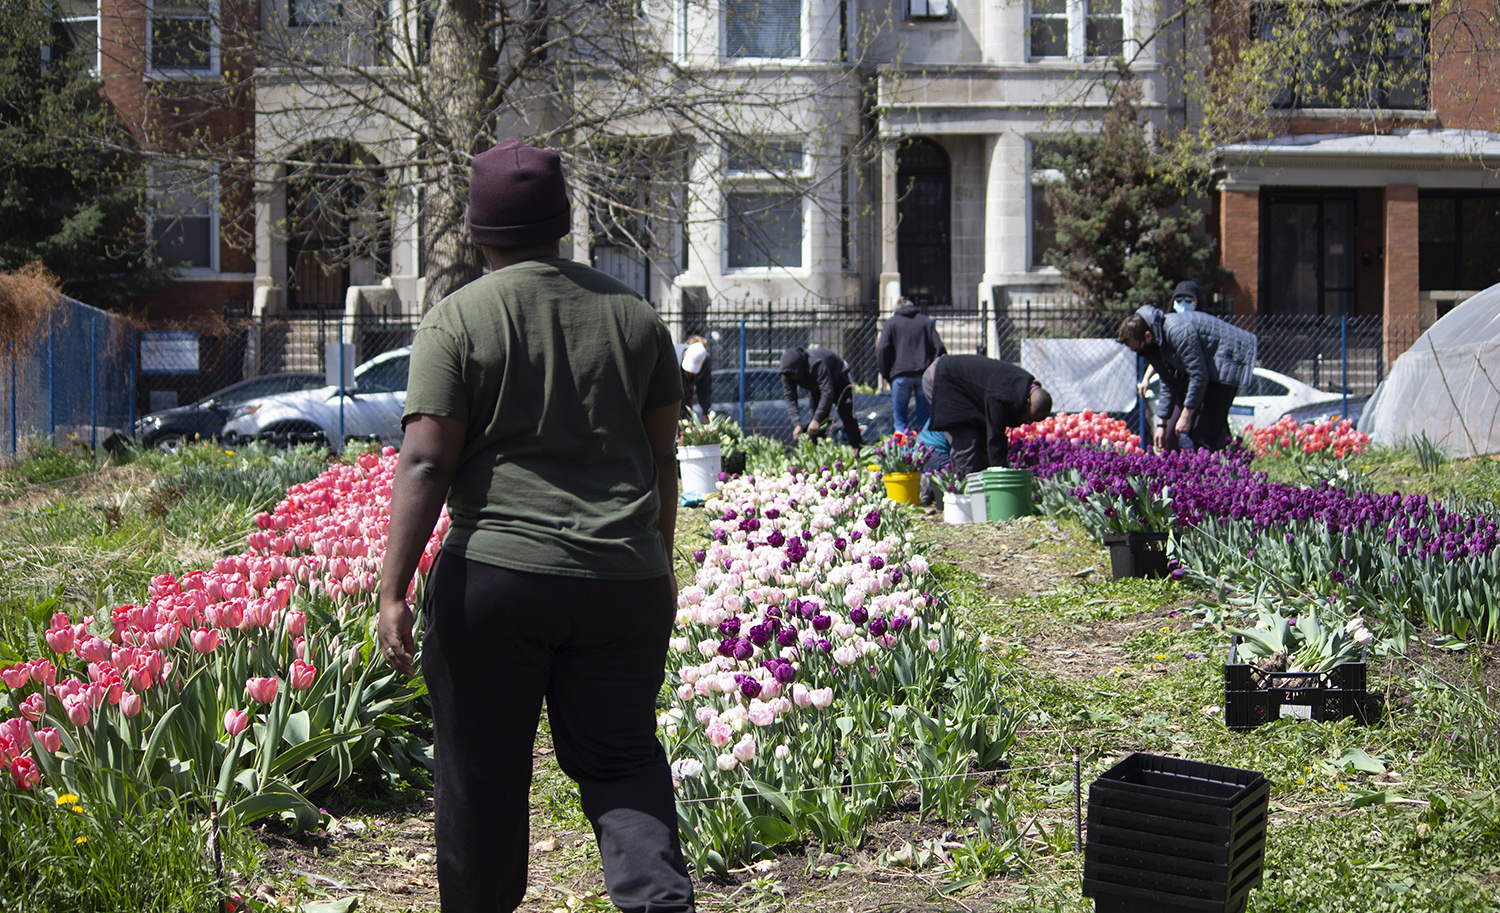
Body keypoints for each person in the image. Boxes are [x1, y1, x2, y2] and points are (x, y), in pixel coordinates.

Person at [376, 138, 695, 913]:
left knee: (482, 772)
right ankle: (659, 903)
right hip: (624, 579)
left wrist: (392, 589)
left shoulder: (457, 320)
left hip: (495, 579)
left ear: (478, 227)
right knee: (621, 760)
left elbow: (426, 461)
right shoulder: (637, 318)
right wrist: (657, 560)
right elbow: (663, 461)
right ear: (563, 221)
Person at [1116, 300, 1257, 453]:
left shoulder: (1176, 331)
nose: (1138, 353)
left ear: (1148, 336)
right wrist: (1161, 424)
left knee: (1204, 431)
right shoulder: (1155, 345)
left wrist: (1186, 414)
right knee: (1206, 428)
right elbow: (1167, 381)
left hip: (1229, 357)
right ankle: (1230, 462)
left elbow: (1198, 375)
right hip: (1208, 366)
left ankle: (1216, 471)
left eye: (1138, 348)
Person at [923, 354, 1052, 477]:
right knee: (968, 442)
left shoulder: (1024, 386)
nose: (1028, 423)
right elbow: (996, 438)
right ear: (1027, 402)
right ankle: (965, 492)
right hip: (942, 379)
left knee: (981, 441)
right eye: (1029, 417)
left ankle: (979, 490)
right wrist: (1000, 476)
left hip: (963, 387)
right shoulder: (1002, 395)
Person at [875, 297, 945, 432]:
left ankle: (901, 451)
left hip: (899, 375)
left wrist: (886, 374)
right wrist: (932, 370)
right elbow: (939, 347)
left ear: (896, 309)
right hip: (923, 375)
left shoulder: (891, 323)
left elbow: (882, 349)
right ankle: (924, 449)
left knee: (900, 422)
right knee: (924, 421)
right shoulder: (925, 321)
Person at [778, 345, 863, 448]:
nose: (793, 378)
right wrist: (797, 424)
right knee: (815, 429)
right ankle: (820, 458)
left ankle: (859, 452)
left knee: (849, 419)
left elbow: (827, 391)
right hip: (817, 389)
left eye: (794, 375)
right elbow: (790, 397)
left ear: (800, 368)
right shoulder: (787, 372)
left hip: (840, 380)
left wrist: (817, 419)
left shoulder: (816, 363)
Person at [1134, 281, 1204, 400]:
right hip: (1176, 384)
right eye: (1179, 299)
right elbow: (1161, 356)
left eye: (1189, 299)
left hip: (1198, 386)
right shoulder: (1167, 326)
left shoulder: (1203, 325)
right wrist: (1146, 379)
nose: (1183, 304)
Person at [677, 336, 712, 420]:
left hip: (686, 394)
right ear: (685, 354)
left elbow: (705, 389)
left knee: (685, 420)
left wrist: (705, 414)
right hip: (672, 395)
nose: (690, 373)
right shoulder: (674, 358)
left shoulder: (705, 362)